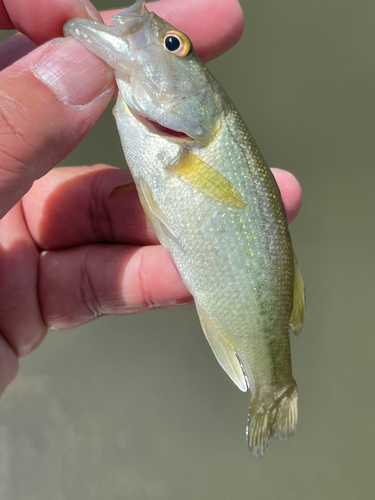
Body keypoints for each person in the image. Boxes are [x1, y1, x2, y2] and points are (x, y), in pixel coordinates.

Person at [0, 0, 302, 396]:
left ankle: (274, 388)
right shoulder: (176, 134)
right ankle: (272, 386)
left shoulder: (201, 139)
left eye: (172, 44)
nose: (159, 38)